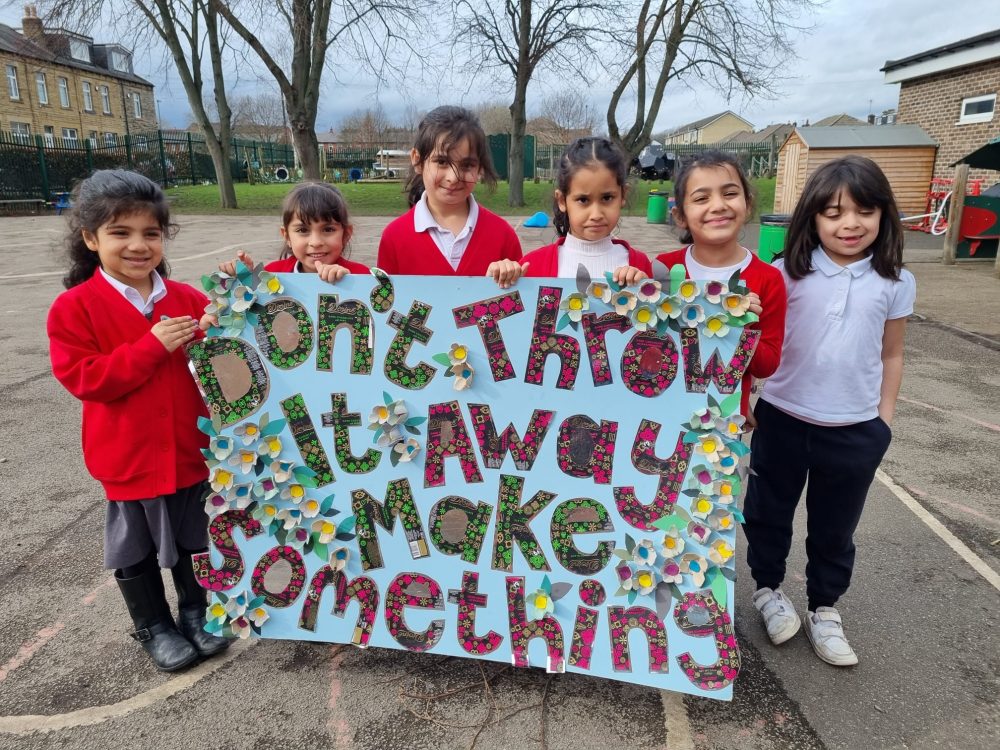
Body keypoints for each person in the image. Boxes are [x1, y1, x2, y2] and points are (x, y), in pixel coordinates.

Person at [47, 170, 229, 672]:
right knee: (136, 546)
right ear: (91, 238)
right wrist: (150, 348)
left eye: (150, 233)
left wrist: (220, 326)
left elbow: (218, 367)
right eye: (120, 233)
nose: (138, 246)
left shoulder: (187, 299)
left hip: (191, 450)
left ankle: (200, 611)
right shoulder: (74, 308)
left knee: (197, 535)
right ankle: (154, 625)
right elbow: (86, 379)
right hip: (127, 456)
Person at [743, 156, 915, 667]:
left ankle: (824, 608)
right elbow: (757, 341)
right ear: (812, 218)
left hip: (855, 428)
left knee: (835, 528)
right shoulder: (784, 274)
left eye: (864, 211)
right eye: (834, 212)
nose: (849, 224)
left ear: (883, 215)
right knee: (767, 513)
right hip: (783, 416)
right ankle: (768, 591)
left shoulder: (895, 280)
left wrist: (883, 420)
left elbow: (892, 353)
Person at [655, 150, 786, 417]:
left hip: (721, 427)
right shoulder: (662, 268)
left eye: (729, 194)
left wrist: (740, 326)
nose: (718, 205)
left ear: (747, 203)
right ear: (680, 215)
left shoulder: (768, 278)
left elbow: (767, 365)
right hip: (660, 410)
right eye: (701, 198)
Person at [376, 105, 523, 288]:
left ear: (480, 168)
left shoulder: (503, 236)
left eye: (467, 165)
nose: (453, 178)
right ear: (417, 159)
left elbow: (519, 305)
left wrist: (509, 274)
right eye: (442, 162)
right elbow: (386, 308)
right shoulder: (394, 238)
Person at [521, 137, 651, 283]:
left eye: (607, 198)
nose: (596, 215)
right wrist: (502, 277)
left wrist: (645, 291)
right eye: (583, 200)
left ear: (623, 195)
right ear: (562, 201)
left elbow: (656, 304)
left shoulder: (640, 266)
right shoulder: (532, 267)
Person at [221, 181, 367, 281]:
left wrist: (351, 284)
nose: (315, 242)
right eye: (303, 230)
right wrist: (243, 280)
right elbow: (247, 316)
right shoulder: (271, 275)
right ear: (287, 236)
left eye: (328, 229)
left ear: (346, 234)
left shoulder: (364, 277)